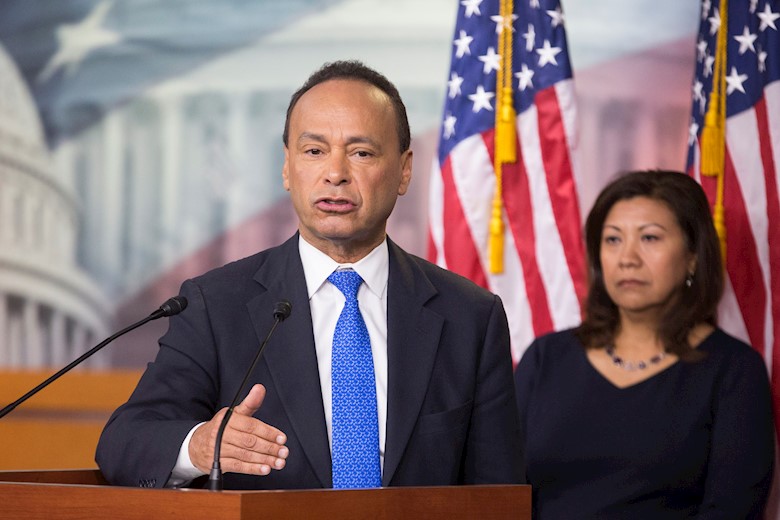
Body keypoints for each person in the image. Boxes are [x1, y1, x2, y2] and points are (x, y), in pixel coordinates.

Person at [96, 60, 522, 490]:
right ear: (287, 167)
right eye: (314, 151)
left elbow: (498, 493)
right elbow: (125, 441)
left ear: (404, 169)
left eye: (361, 153)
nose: (335, 174)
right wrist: (200, 446)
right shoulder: (215, 305)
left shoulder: (470, 317)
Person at [514, 170, 774, 519]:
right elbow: (501, 489)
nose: (627, 258)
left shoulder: (734, 370)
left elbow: (732, 509)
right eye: (612, 239)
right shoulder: (545, 359)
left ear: (693, 256)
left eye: (650, 238)